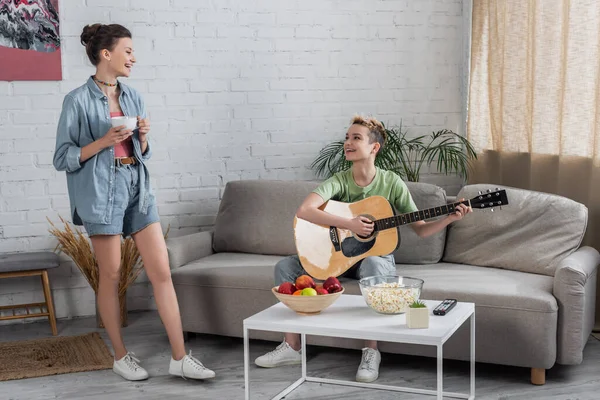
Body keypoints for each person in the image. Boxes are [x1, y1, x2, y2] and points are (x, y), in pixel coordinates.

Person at [254, 115, 472, 383]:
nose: (348, 142)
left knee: (374, 264)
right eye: (347, 137)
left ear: (374, 148)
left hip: (372, 259)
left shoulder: (392, 183)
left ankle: (371, 352)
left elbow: (421, 229)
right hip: (339, 258)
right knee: (285, 267)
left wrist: (450, 217)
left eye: (356, 138)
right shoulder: (340, 180)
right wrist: (349, 223)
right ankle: (291, 347)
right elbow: (305, 211)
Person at [53, 23, 215, 382]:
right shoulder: (77, 101)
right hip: (99, 193)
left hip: (137, 188)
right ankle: (121, 356)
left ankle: (179, 357)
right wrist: (103, 141)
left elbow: (142, 154)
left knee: (161, 273)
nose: (133, 57)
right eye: (128, 51)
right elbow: (63, 156)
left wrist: (142, 138)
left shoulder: (133, 96)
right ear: (106, 54)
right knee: (110, 276)